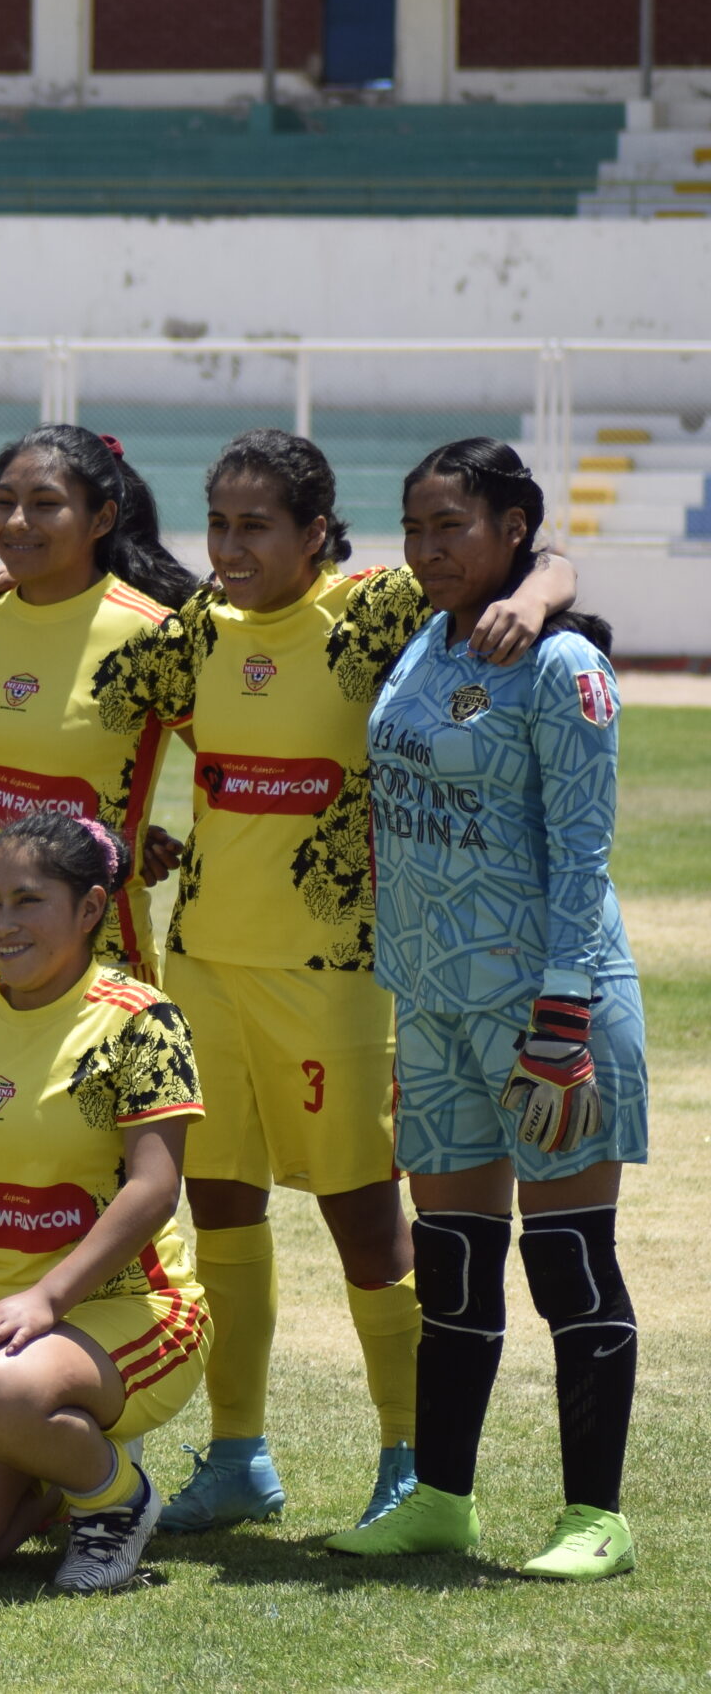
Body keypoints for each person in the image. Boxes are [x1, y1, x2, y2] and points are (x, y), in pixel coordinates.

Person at [139, 430, 574, 1536]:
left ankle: (407, 1456)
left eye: (257, 527)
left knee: (365, 1224)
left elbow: (535, 563)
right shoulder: (196, 624)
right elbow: (103, 619)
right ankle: (238, 1454)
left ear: (316, 531)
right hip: (204, 962)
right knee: (220, 1208)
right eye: (219, 524)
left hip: (334, 973)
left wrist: (548, 584)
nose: (231, 549)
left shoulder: (377, 610)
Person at [323, 439, 643, 1581]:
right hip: (441, 1010)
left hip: (549, 1009)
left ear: (513, 531)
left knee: (568, 1264)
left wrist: (561, 1023)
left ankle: (593, 1517)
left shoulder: (559, 668)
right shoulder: (422, 636)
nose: (424, 550)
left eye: (449, 527)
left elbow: (584, 854)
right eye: (412, 528)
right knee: (453, 1265)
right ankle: (443, 1502)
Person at [0, 814, 208, 1594]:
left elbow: (153, 1188)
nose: (3, 924)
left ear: (92, 908)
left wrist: (46, 1297)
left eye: (28, 901)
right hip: (8, 1335)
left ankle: (115, 1498)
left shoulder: (143, 1018)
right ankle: (57, 1473)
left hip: (134, 1309)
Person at [0, 426, 196, 984]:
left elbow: (231, 770)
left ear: (101, 520)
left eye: (44, 505)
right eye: (4, 502)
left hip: (95, 965)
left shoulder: (150, 633)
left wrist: (134, 839)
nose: (15, 523)